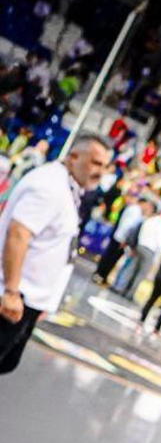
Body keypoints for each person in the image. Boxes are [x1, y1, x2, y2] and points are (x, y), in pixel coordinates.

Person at [0, 137, 113, 377]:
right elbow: (18, 234)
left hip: (27, 300)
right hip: (12, 296)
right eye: (95, 163)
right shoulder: (50, 186)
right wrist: (11, 291)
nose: (100, 172)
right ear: (73, 157)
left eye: (104, 166)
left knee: (6, 362)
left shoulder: (66, 187)